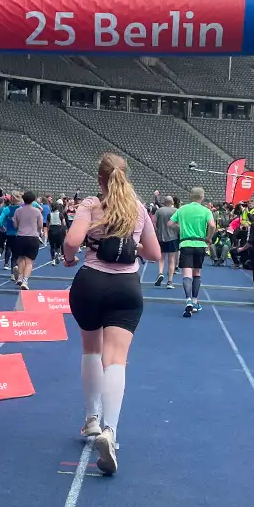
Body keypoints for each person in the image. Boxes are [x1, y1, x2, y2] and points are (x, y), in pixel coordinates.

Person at [62, 154, 161, 475]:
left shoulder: (91, 204)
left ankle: (91, 419)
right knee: (116, 358)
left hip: (90, 282)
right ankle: (111, 431)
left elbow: (72, 241)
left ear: (100, 178)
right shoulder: (138, 208)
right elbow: (155, 254)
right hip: (126, 287)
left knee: (91, 349)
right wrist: (132, 243)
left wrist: (69, 257)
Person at [168, 187, 215, 317]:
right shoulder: (206, 211)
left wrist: (181, 227)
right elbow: (212, 225)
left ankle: (188, 300)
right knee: (197, 273)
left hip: (185, 243)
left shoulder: (182, 209)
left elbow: (170, 223)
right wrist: (209, 238)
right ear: (202, 197)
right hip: (200, 243)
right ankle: (195, 300)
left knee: (186, 274)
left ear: (190, 196)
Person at [10, 192, 44, 289]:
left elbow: (15, 225)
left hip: (20, 237)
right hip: (33, 238)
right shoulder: (37, 211)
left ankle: (20, 278)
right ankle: (25, 281)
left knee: (20, 259)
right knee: (29, 261)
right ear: (33, 200)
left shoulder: (18, 211)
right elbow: (41, 226)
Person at [152, 195, 179, 289]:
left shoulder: (159, 211)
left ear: (164, 202)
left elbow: (154, 223)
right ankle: (170, 281)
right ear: (172, 202)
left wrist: (157, 231)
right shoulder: (176, 211)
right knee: (171, 260)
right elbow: (179, 225)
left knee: (161, 258)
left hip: (161, 237)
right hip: (173, 238)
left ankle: (160, 273)